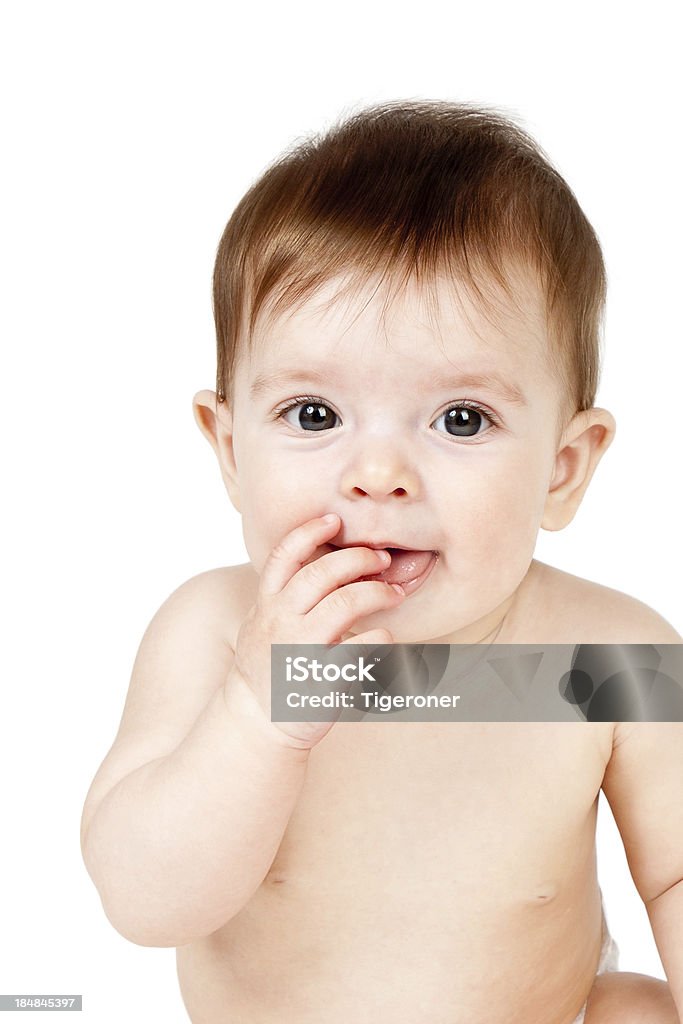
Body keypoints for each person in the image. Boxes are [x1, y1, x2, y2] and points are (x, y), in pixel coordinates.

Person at [80, 100, 682, 1024]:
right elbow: (144, 903)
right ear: (230, 450)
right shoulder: (210, 633)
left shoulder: (601, 657)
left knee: (637, 1009)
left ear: (562, 471)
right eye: (314, 415)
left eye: (460, 419)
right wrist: (258, 712)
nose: (378, 477)